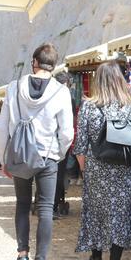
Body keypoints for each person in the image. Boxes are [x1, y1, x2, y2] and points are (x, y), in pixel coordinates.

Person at [0, 44, 75, 260]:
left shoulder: (13, 88)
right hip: (47, 156)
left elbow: (2, 127)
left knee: (21, 204)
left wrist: (3, 159)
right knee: (45, 208)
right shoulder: (61, 92)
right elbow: (67, 132)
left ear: (34, 62)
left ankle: (22, 255)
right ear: (53, 65)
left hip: (19, 155)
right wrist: (58, 154)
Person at [73, 61, 131, 260]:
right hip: (126, 169)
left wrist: (85, 170)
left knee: (96, 214)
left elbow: (80, 145)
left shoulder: (88, 106)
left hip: (97, 168)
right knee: (121, 216)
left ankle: (96, 259)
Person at [52, 71, 79, 219]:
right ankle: (54, 205)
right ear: (66, 84)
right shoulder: (68, 97)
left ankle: (45, 202)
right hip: (61, 142)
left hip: (46, 142)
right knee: (59, 174)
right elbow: (70, 124)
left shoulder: (47, 95)